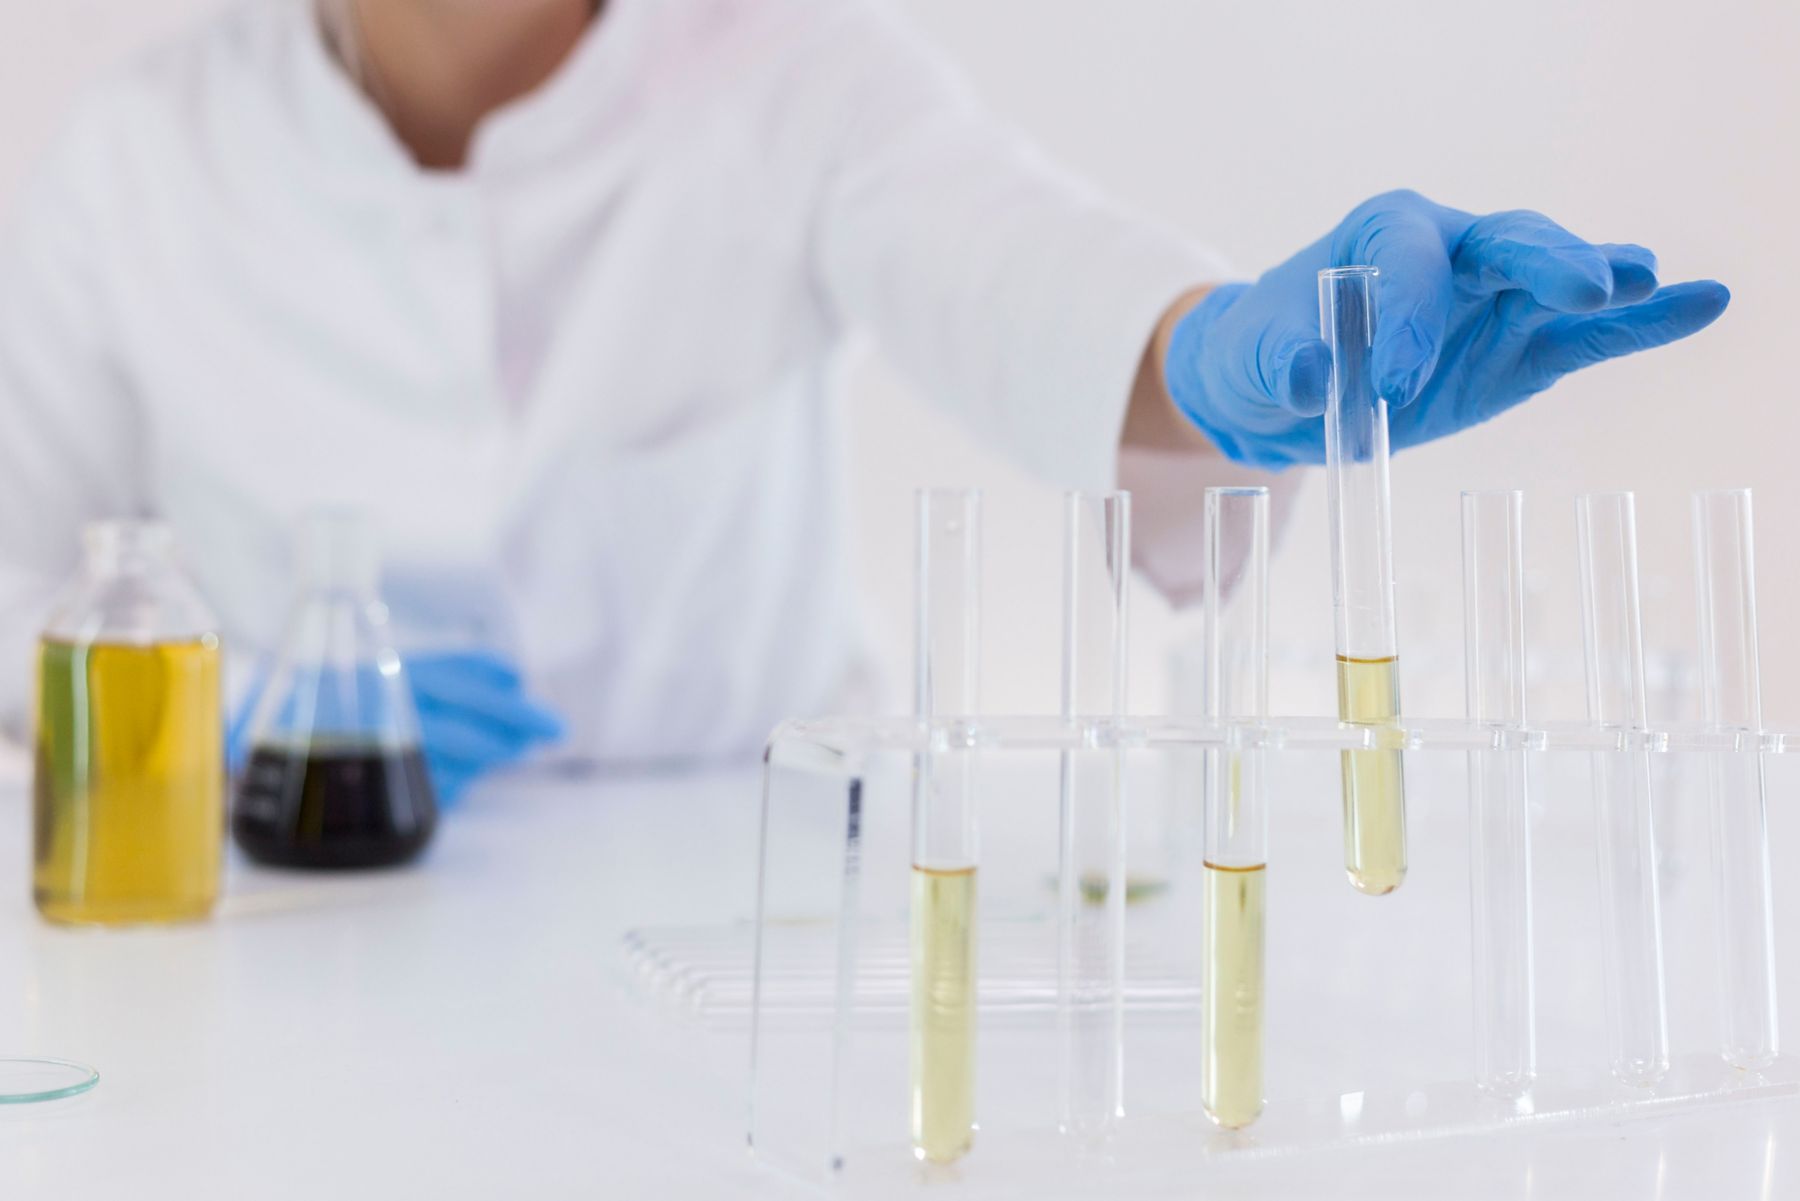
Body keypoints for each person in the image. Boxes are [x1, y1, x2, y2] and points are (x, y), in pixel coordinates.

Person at [0, 0, 1727, 801]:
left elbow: (1015, 270)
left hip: (748, 898)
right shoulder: (140, 151)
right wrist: (206, 711)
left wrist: (1221, 361)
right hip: (284, 916)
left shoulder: (787, 74)